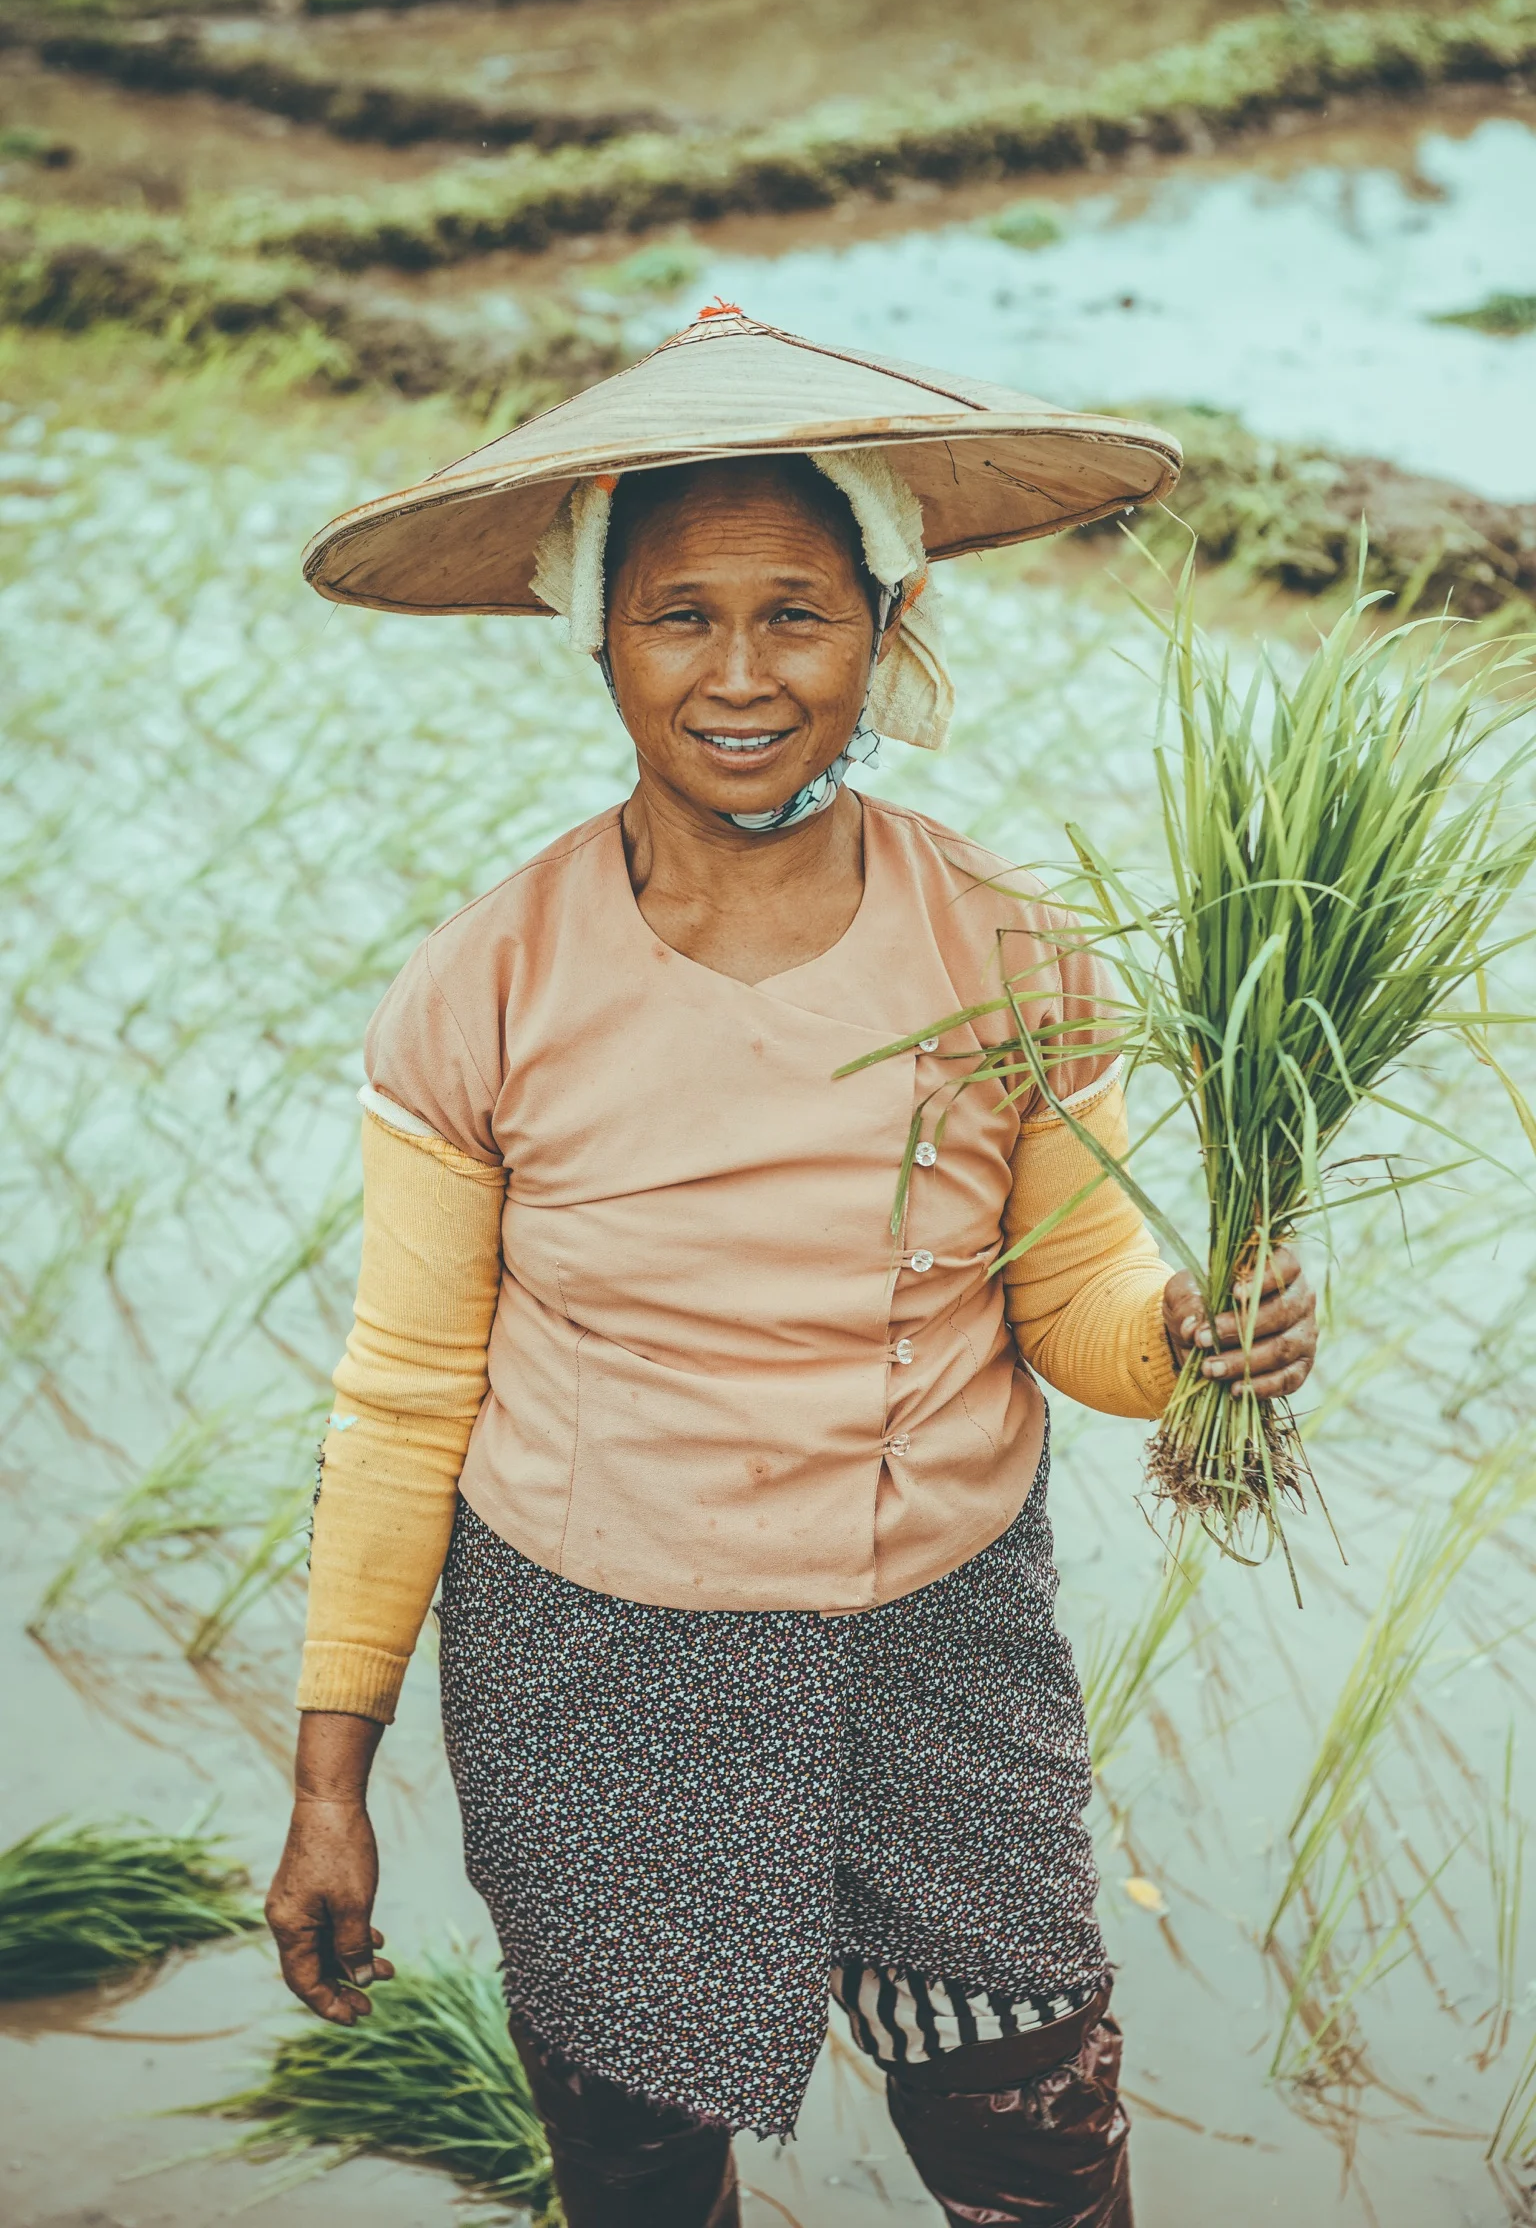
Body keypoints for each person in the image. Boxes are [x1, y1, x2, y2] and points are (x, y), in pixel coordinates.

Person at [265, 307, 1318, 2228]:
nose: (741, 675)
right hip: (596, 1660)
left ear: (885, 628)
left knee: (1031, 2139)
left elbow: (1071, 1300)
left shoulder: (1003, 939)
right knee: (644, 2168)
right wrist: (329, 1782)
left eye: (798, 612)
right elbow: (407, 1393)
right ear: (597, 635)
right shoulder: (483, 988)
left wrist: (1193, 1336)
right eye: (680, 614)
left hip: (941, 1640)